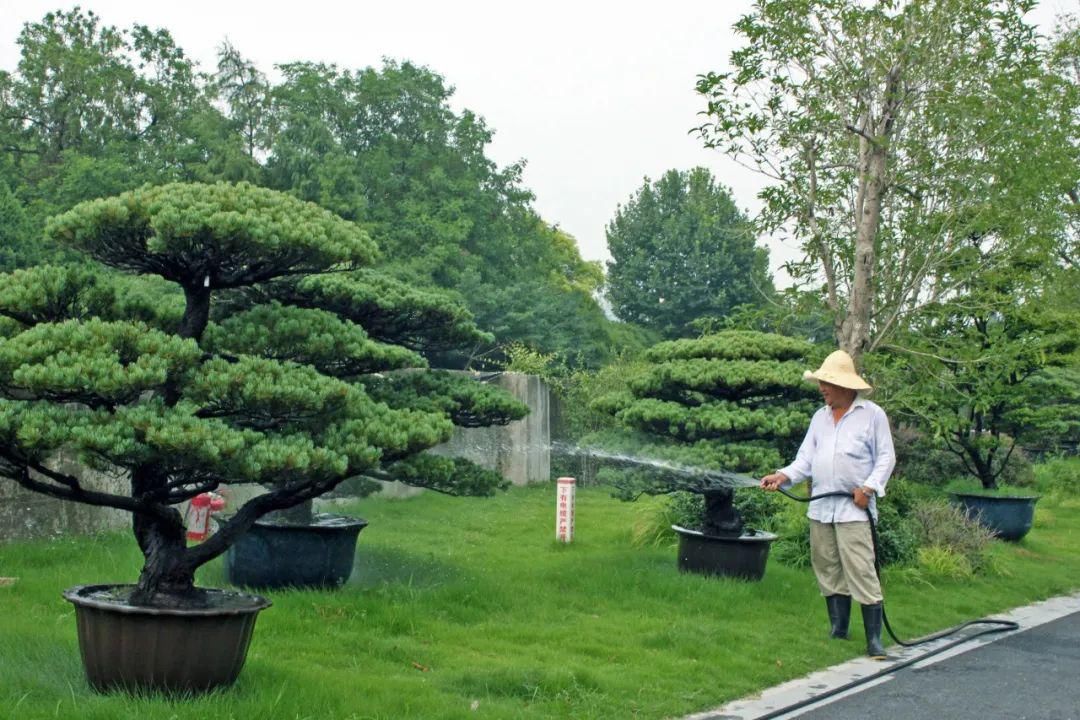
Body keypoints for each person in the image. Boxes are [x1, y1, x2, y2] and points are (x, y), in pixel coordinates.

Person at [760, 350, 896, 659]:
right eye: (821, 383)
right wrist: (782, 476)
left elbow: (886, 457)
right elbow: (806, 459)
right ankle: (839, 629)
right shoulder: (820, 418)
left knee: (860, 569)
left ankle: (874, 640)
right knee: (827, 566)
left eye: (827, 383)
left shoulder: (872, 415)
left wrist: (869, 488)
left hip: (854, 509)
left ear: (846, 386)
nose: (822, 388)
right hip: (821, 509)